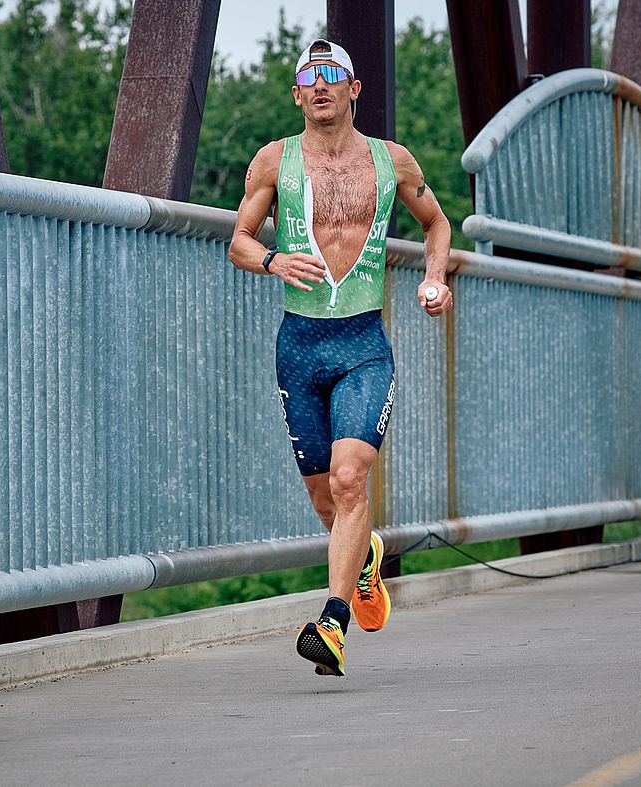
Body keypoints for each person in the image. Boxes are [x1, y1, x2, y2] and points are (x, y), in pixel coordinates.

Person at [228, 39, 453, 676]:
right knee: (329, 504)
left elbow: (437, 225)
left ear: (355, 88)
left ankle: (332, 622)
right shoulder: (273, 161)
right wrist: (272, 259)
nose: (320, 86)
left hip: (363, 345)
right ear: (297, 93)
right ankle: (365, 559)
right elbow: (239, 242)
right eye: (309, 77)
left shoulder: (392, 161)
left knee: (351, 479)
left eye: (333, 76)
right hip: (298, 348)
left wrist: (435, 277)